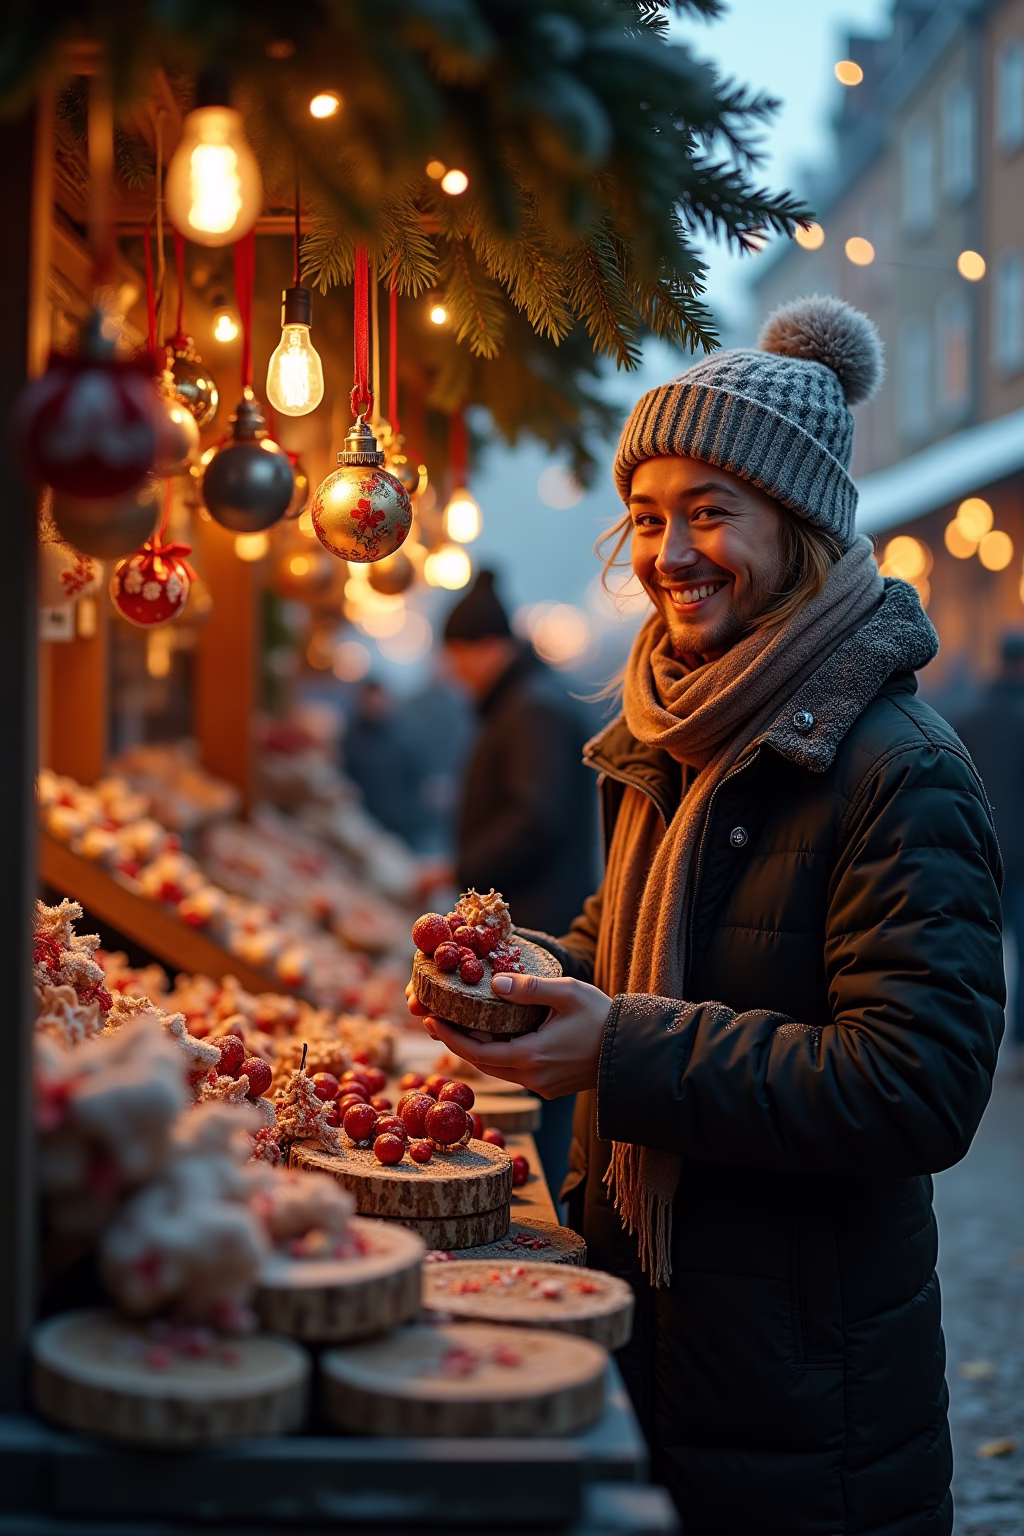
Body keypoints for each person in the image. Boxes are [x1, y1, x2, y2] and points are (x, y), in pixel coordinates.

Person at [410, 296, 1005, 1536]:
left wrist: (614, 1050)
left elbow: (918, 1086)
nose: (669, 552)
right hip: (663, 1329)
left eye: (710, 514)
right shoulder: (669, 738)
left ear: (794, 529)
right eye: (647, 518)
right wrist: (527, 972)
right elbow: (634, 956)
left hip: (805, 1392)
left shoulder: (899, 767)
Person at [438, 568, 598, 1191]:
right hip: (529, 922)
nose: (454, 675)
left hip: (542, 925)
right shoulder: (525, 702)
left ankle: (544, 1187)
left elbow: (535, 818)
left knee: (546, 1084)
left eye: (455, 658)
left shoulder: (532, 710)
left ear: (480, 648)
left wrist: (466, 871)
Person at [956, 632, 1024, 1073]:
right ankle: (1019, 1043)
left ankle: (964, 1040)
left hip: (978, 851)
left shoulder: (970, 718)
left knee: (970, 946)